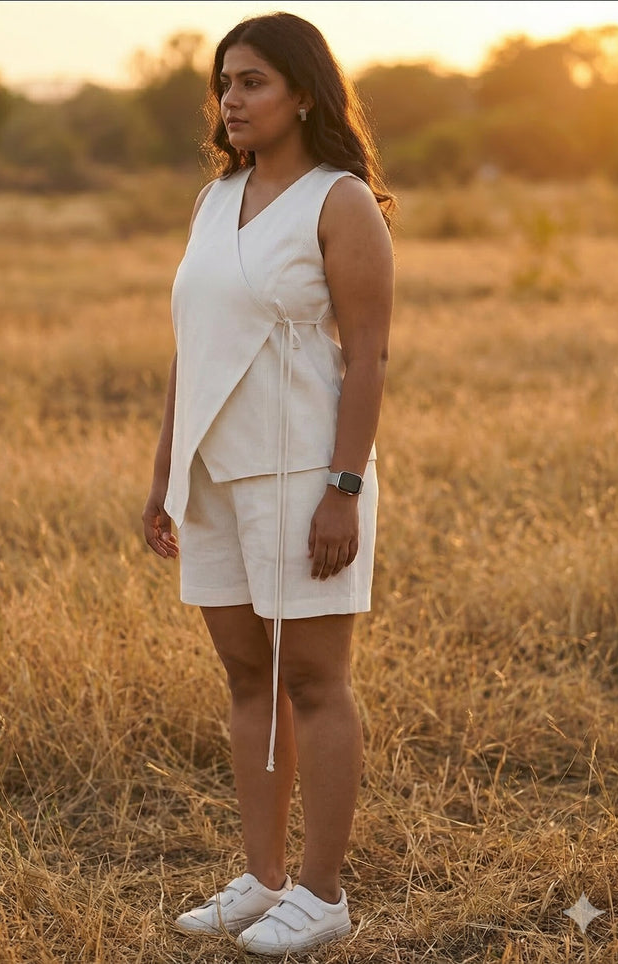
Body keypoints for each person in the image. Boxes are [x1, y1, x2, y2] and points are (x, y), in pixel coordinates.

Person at [142, 11, 394, 956]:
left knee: (316, 682)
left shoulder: (340, 201)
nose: (231, 99)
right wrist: (165, 474)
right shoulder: (216, 200)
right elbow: (191, 347)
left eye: (252, 81)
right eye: (224, 82)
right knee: (249, 678)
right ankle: (264, 878)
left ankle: (322, 896)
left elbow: (368, 357)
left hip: (302, 474)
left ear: (304, 94)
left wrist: (344, 488)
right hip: (213, 474)